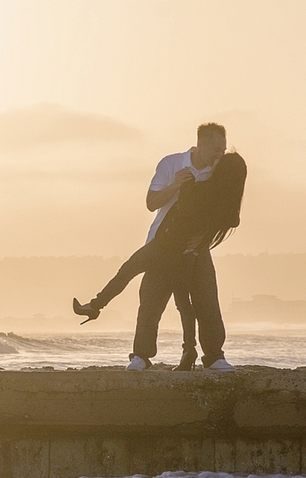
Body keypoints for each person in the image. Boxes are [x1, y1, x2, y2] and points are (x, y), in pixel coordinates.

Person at [71, 123, 246, 371]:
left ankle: (214, 357)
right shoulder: (171, 164)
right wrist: (176, 184)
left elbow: (221, 213)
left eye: (223, 149)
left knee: (204, 301)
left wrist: (202, 239)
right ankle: (141, 356)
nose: (220, 154)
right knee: (151, 302)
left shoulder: (219, 172)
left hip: (196, 248)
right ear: (201, 144)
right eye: (216, 149)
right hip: (161, 243)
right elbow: (151, 203)